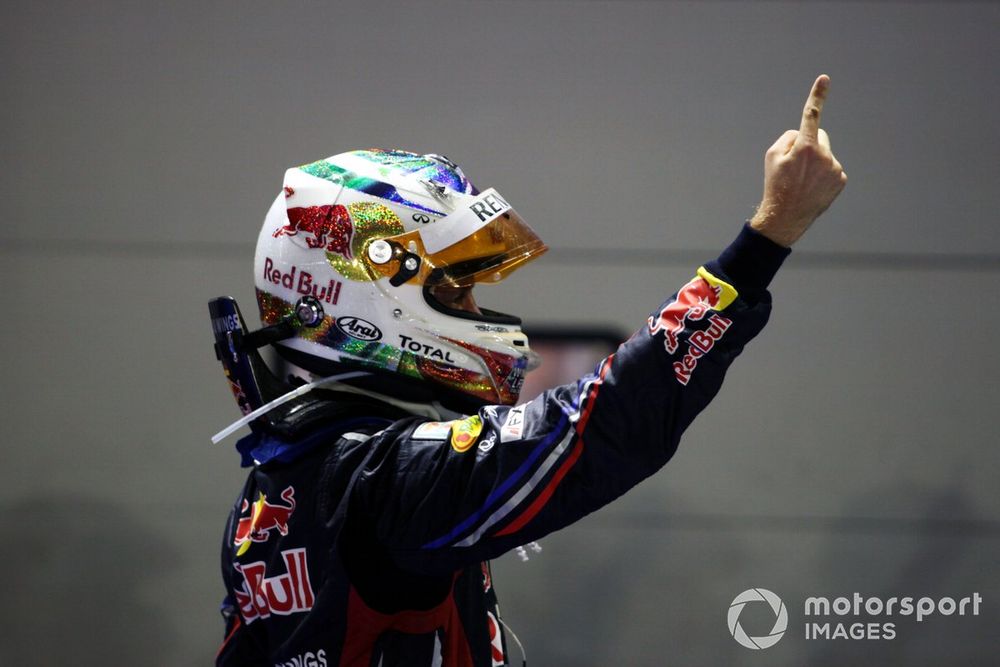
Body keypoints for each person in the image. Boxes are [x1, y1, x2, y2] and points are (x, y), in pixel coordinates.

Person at [210, 75, 846, 666]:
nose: (478, 312)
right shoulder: (383, 479)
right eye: (457, 293)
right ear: (360, 301)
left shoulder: (287, 474)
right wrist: (768, 237)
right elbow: (600, 428)